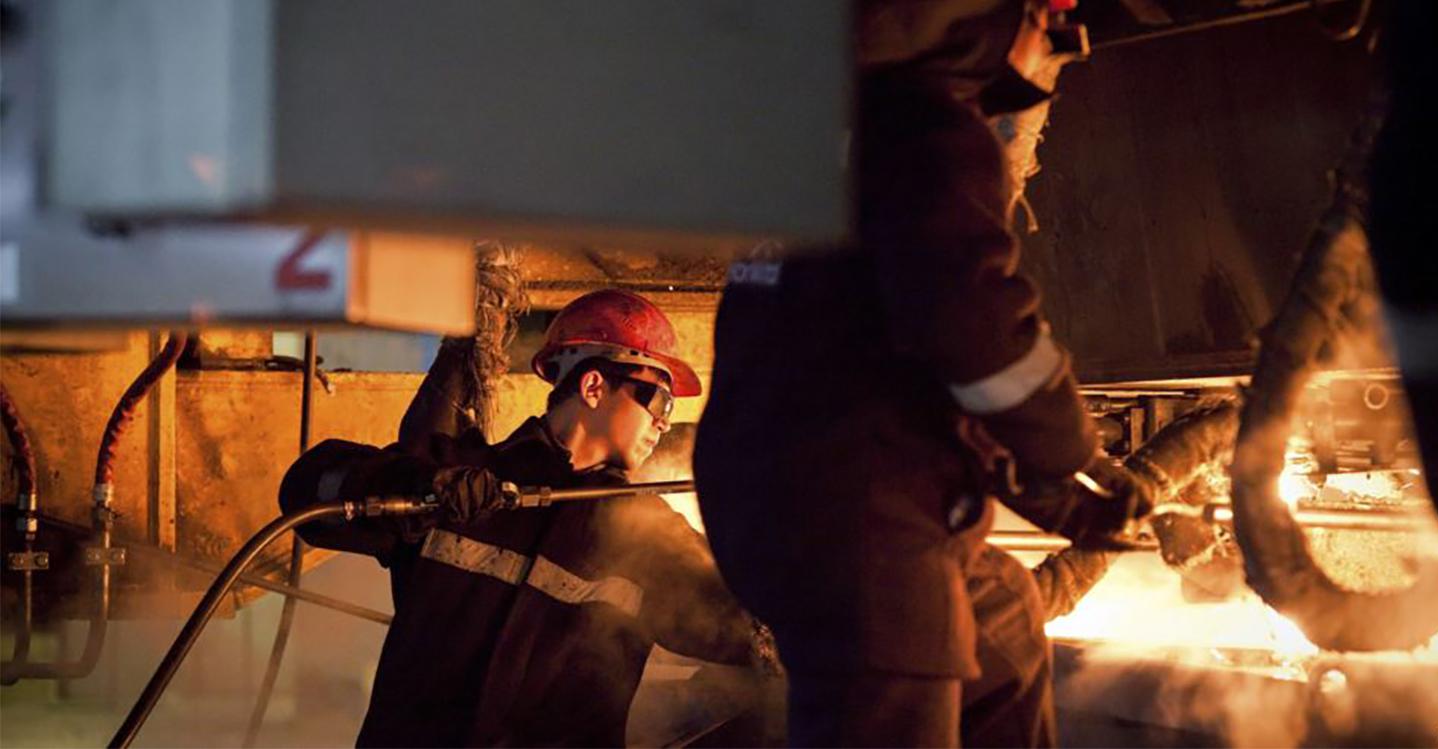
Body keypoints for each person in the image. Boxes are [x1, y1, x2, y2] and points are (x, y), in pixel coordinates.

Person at [693, 1, 1149, 745]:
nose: (1049, 47)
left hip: (781, 502)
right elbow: (978, 331)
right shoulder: (928, 129)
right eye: (1044, 20)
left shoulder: (827, 138)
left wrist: (1062, 496)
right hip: (863, 533)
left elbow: (901, 362)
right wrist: (1074, 454)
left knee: (1003, 609)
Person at [279, 289, 776, 747]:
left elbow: (756, 630)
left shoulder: (649, 538)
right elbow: (305, 493)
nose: (664, 421)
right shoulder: (463, 482)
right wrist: (418, 485)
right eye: (658, 398)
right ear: (594, 385)